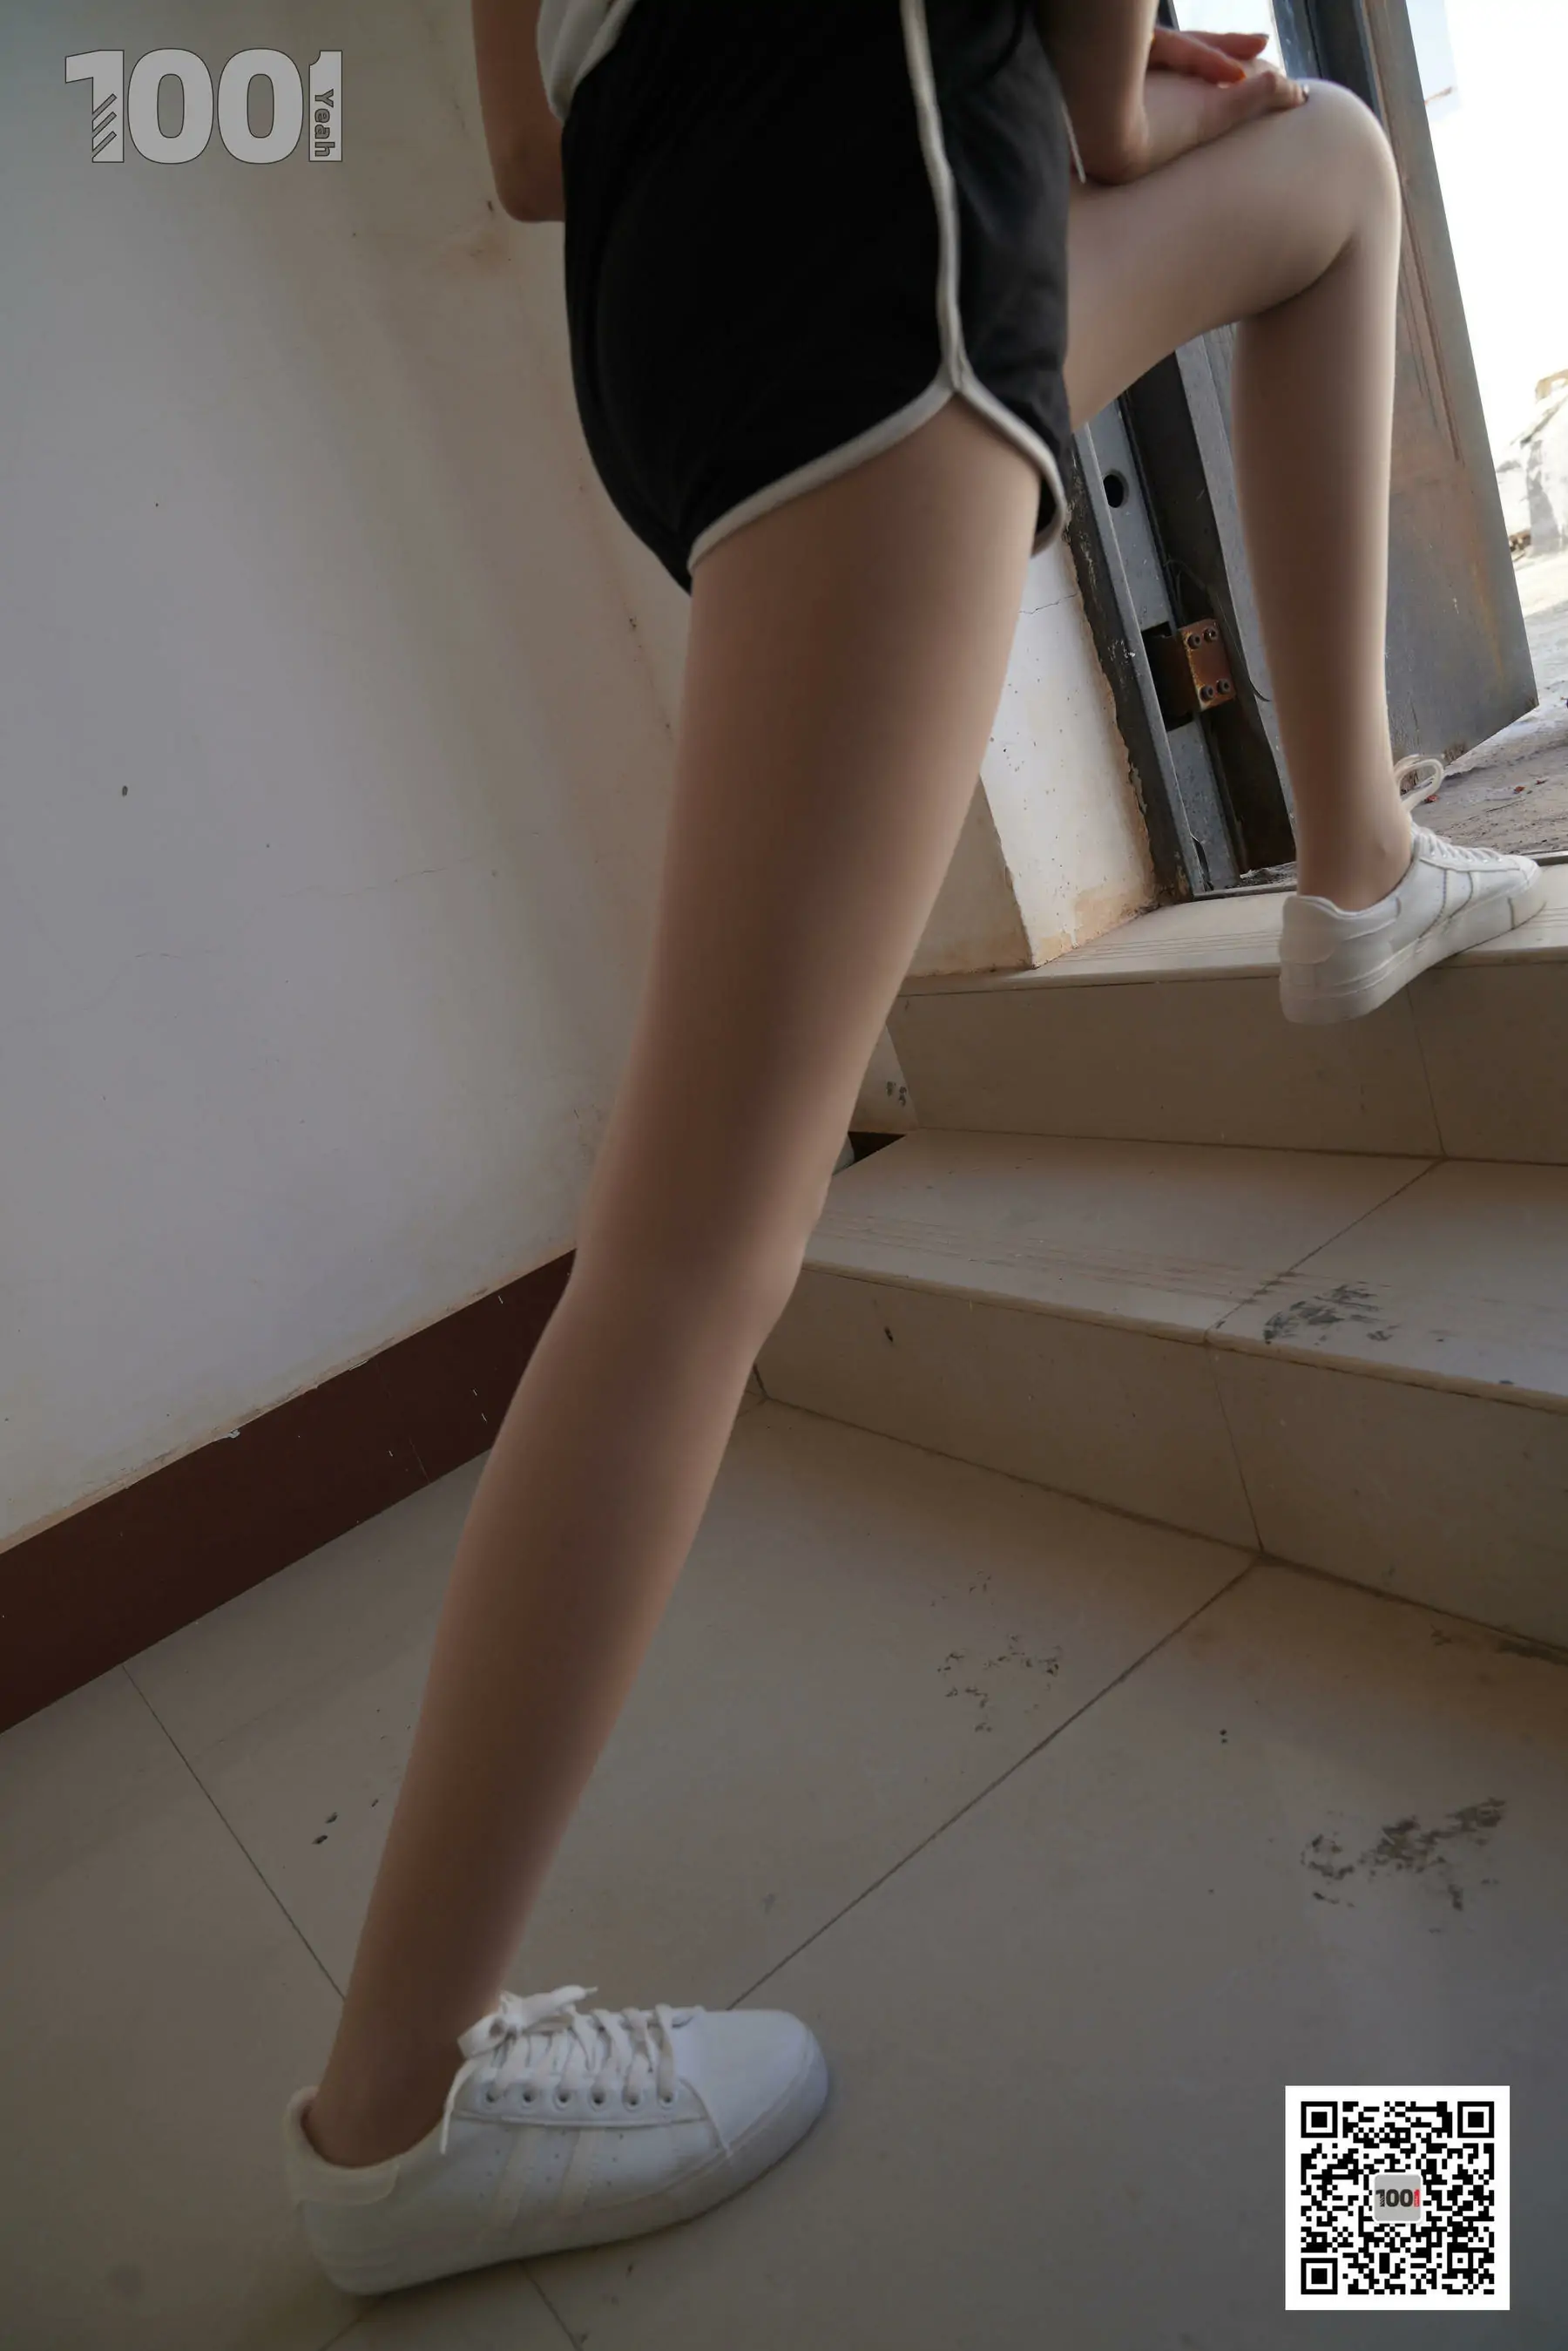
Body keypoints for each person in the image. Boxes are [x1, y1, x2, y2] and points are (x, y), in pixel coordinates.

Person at [280, 0, 1544, 2297]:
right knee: (691, 1257)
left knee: (1335, 178)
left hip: (672, 310)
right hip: (877, 236)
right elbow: (1082, 108)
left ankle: (1360, 862)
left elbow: (525, 157)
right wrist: (1126, 95)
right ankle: (397, 2109)